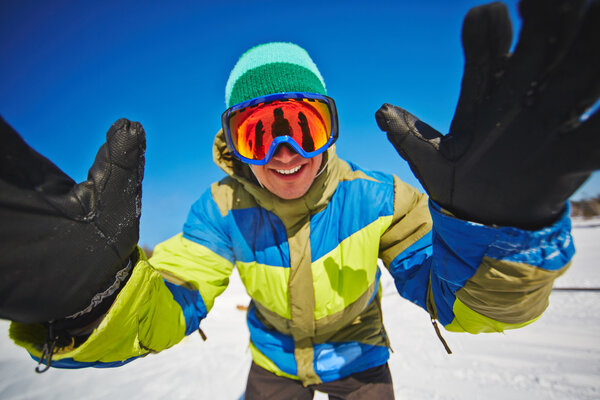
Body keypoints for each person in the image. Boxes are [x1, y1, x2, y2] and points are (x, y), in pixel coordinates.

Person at [1, 1, 598, 399]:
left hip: (359, 363)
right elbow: (175, 295)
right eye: (261, 133)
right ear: (234, 147)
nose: (284, 152)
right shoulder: (222, 208)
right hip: (274, 367)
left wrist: (500, 234)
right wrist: (90, 303)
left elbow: (459, 301)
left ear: (330, 129)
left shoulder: (380, 199)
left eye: (301, 126)